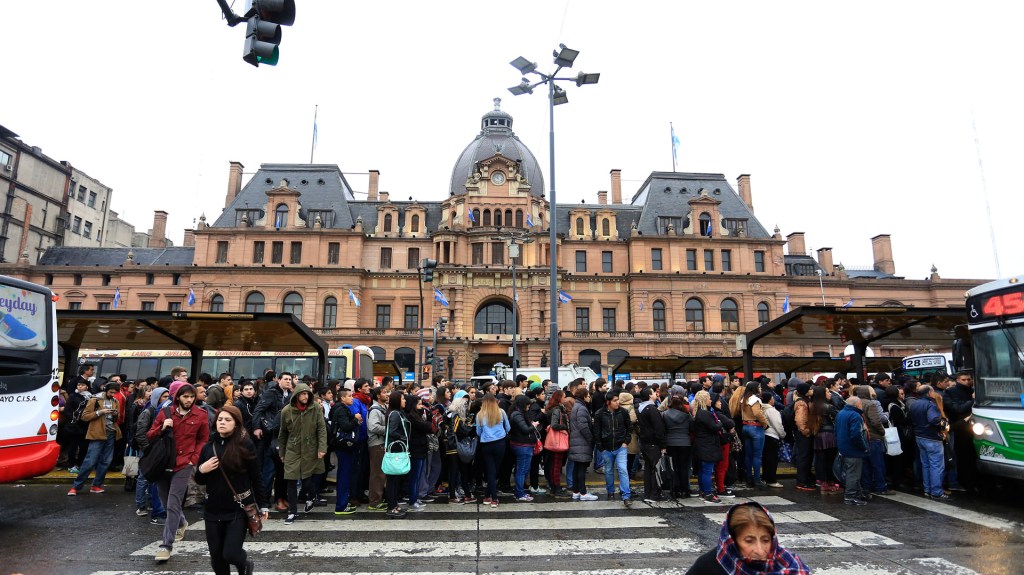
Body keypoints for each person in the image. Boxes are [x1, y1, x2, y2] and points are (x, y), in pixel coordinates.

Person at [194, 405, 268, 575]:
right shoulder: (208, 447)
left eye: (227, 420)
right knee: (217, 558)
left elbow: (256, 476)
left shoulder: (245, 445)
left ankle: (245, 565)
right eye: (220, 419)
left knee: (231, 553)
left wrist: (263, 504)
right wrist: (201, 470)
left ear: (236, 424)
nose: (222, 423)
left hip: (238, 509)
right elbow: (199, 479)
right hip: (213, 510)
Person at [148, 382, 210, 562]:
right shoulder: (165, 413)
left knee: (173, 504)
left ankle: (166, 545)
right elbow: (150, 434)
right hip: (163, 463)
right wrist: (162, 427)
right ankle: (182, 523)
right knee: (166, 500)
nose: (189, 400)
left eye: (192, 397)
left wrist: (194, 459)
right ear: (178, 397)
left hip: (184, 464)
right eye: (185, 396)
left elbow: (203, 439)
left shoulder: (201, 415)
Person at [685, 502, 811, 575]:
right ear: (733, 540)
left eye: (765, 540)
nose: (759, 550)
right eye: (749, 541)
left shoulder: (787, 563)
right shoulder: (708, 567)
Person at [277, 382, 327, 525]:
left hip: (310, 447)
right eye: (303, 394)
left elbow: (321, 429)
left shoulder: (316, 408)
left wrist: (322, 448)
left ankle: (312, 496)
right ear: (297, 395)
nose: (305, 396)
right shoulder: (287, 410)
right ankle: (292, 512)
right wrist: (282, 452)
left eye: (307, 394)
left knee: (307, 478)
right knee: (291, 479)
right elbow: (283, 433)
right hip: (292, 448)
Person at [68, 381, 122, 496]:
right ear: (106, 390)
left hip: (111, 432)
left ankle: (96, 485)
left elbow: (117, 419)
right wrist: (100, 412)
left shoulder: (115, 401)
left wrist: (115, 414)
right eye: (111, 392)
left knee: (106, 461)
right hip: (97, 433)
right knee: (90, 461)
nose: (113, 394)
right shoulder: (95, 400)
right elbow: (85, 416)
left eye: (115, 393)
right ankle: (76, 486)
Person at [133, 386, 169, 523]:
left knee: (154, 477)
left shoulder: (163, 411)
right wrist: (147, 448)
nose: (167, 400)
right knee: (144, 476)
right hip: (148, 448)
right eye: (164, 397)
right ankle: (140, 504)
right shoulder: (148, 411)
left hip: (157, 448)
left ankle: (150, 503)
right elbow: (140, 433)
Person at [909, 385, 952, 501]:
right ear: (929, 393)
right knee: (936, 466)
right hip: (932, 437)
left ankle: (928, 490)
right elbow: (934, 419)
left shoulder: (914, 404)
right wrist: (944, 424)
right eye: (932, 391)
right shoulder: (930, 404)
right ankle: (936, 492)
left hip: (920, 436)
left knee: (926, 464)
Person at [594, 391, 632, 505]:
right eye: (615, 400)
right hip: (606, 448)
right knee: (609, 471)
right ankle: (610, 491)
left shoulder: (623, 412)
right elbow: (596, 432)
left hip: (621, 446)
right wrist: (600, 447)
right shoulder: (600, 414)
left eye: (618, 400)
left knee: (623, 470)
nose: (617, 402)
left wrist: (626, 442)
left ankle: (626, 496)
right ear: (608, 402)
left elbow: (629, 427)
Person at [329, 387, 360, 515]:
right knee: (344, 476)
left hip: (343, 446)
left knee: (345, 474)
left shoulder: (340, 409)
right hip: (344, 446)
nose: (352, 398)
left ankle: (344, 503)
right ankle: (341, 506)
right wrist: (355, 419)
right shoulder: (341, 409)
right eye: (349, 396)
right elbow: (346, 426)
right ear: (342, 398)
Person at [477, 393, 511, 507]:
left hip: (486, 444)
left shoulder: (480, 414)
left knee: (490, 470)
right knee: (494, 470)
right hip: (500, 443)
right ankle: (494, 498)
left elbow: (478, 432)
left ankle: (487, 495)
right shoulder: (501, 412)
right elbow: (508, 428)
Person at [836, 396, 871, 505]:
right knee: (854, 474)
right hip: (853, 449)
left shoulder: (841, 413)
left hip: (844, 447)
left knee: (851, 472)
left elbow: (836, 431)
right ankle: (850, 497)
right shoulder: (856, 415)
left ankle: (857, 493)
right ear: (857, 405)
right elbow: (856, 435)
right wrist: (864, 446)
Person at [692, 390, 723, 503]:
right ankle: (708, 493)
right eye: (709, 398)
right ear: (704, 400)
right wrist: (719, 422)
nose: (711, 400)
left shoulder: (698, 412)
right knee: (707, 470)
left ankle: (703, 491)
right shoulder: (705, 413)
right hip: (707, 445)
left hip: (700, 444)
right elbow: (714, 427)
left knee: (702, 470)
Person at [568, 387, 599, 502]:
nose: (590, 398)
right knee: (581, 468)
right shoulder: (581, 408)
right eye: (588, 396)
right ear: (584, 397)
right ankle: (583, 492)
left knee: (577, 468)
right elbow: (583, 426)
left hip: (577, 441)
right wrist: (590, 438)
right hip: (581, 442)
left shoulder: (577, 406)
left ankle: (576, 491)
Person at [637, 386, 667, 502]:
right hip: (654, 444)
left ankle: (647, 493)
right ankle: (655, 494)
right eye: (654, 392)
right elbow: (659, 429)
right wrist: (663, 445)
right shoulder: (652, 409)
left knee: (648, 469)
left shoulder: (641, 408)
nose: (656, 393)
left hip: (645, 443)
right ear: (650, 395)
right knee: (656, 468)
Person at [809, 386, 841, 492]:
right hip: (829, 435)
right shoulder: (829, 407)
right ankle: (830, 481)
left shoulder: (812, 406)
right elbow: (838, 419)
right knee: (830, 460)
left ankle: (822, 481)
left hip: (818, 435)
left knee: (820, 460)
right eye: (827, 392)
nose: (830, 393)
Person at [738, 381, 769, 489]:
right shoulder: (755, 399)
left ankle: (749, 478)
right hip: (755, 427)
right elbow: (757, 413)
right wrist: (765, 424)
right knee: (757, 456)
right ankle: (757, 479)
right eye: (759, 387)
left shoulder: (744, 399)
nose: (760, 388)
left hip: (745, 426)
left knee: (748, 455)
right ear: (755, 389)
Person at [384, 390, 410, 518]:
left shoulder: (398, 413)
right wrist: (404, 438)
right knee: (392, 481)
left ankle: (394, 504)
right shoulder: (395, 414)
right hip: (395, 450)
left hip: (397, 449)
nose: (405, 401)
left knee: (395, 480)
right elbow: (392, 431)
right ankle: (391, 506)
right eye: (403, 399)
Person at [662, 395, 693, 499]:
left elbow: (664, 429)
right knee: (683, 467)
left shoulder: (665, 414)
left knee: (673, 468)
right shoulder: (687, 415)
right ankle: (685, 490)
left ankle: (675, 489)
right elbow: (692, 428)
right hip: (685, 442)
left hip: (671, 442)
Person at [509, 394, 539, 502]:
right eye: (527, 405)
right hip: (522, 445)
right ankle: (519, 493)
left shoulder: (517, 413)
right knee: (522, 470)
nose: (529, 407)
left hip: (521, 444)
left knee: (522, 470)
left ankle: (519, 491)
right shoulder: (517, 414)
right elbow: (525, 430)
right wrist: (534, 426)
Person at [366, 387, 390, 511]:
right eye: (384, 392)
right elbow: (373, 427)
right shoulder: (375, 410)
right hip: (376, 444)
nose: (387, 394)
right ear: (378, 396)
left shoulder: (383, 408)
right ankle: (375, 501)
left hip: (382, 443)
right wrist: (389, 430)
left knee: (382, 473)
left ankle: (379, 498)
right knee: (377, 474)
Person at [791, 382, 816, 491]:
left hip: (805, 433)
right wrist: (806, 431)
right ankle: (802, 481)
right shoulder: (801, 403)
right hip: (803, 434)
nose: (812, 390)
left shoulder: (805, 401)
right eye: (810, 389)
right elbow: (800, 420)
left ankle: (805, 478)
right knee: (804, 457)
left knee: (806, 456)